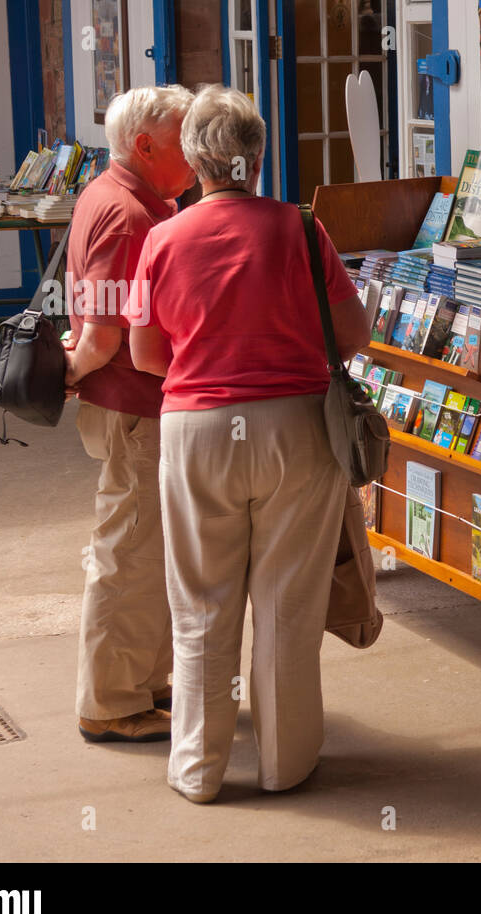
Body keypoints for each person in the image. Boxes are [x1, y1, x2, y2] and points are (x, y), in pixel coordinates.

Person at [126, 84, 371, 803]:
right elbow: (352, 336)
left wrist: (208, 376)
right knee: (288, 601)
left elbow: (145, 353)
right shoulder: (302, 230)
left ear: (198, 161)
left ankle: (198, 769)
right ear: (257, 158)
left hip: (196, 428)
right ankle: (283, 763)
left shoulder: (162, 240)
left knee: (201, 601)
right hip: (298, 425)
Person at [65, 84, 196, 743]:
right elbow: (105, 334)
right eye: (184, 142)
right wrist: (71, 372)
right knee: (129, 550)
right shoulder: (130, 217)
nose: (197, 155)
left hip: (131, 405)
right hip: (135, 406)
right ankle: (111, 700)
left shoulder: (114, 195)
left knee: (147, 549)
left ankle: (143, 683)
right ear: (144, 146)